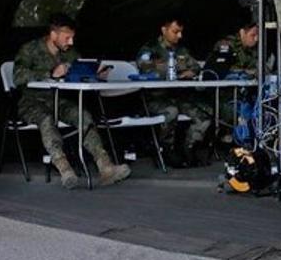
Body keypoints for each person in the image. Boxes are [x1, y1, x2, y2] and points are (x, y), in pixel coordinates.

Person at [12, 12, 131, 189]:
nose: (71, 42)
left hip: (59, 101)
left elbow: (79, 72)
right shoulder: (30, 50)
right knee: (46, 120)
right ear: (53, 34)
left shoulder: (70, 53)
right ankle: (64, 169)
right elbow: (18, 77)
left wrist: (95, 73)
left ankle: (105, 166)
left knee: (82, 115)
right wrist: (50, 74)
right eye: (67, 38)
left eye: (72, 38)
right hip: (32, 102)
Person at [135, 15, 212, 167]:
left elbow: (195, 67)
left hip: (178, 96)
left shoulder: (181, 50)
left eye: (181, 32)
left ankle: (189, 147)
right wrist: (175, 70)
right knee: (171, 111)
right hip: (156, 98)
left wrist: (189, 73)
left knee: (205, 114)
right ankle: (165, 148)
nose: (179, 36)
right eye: (175, 32)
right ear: (164, 30)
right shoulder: (150, 49)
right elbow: (146, 69)